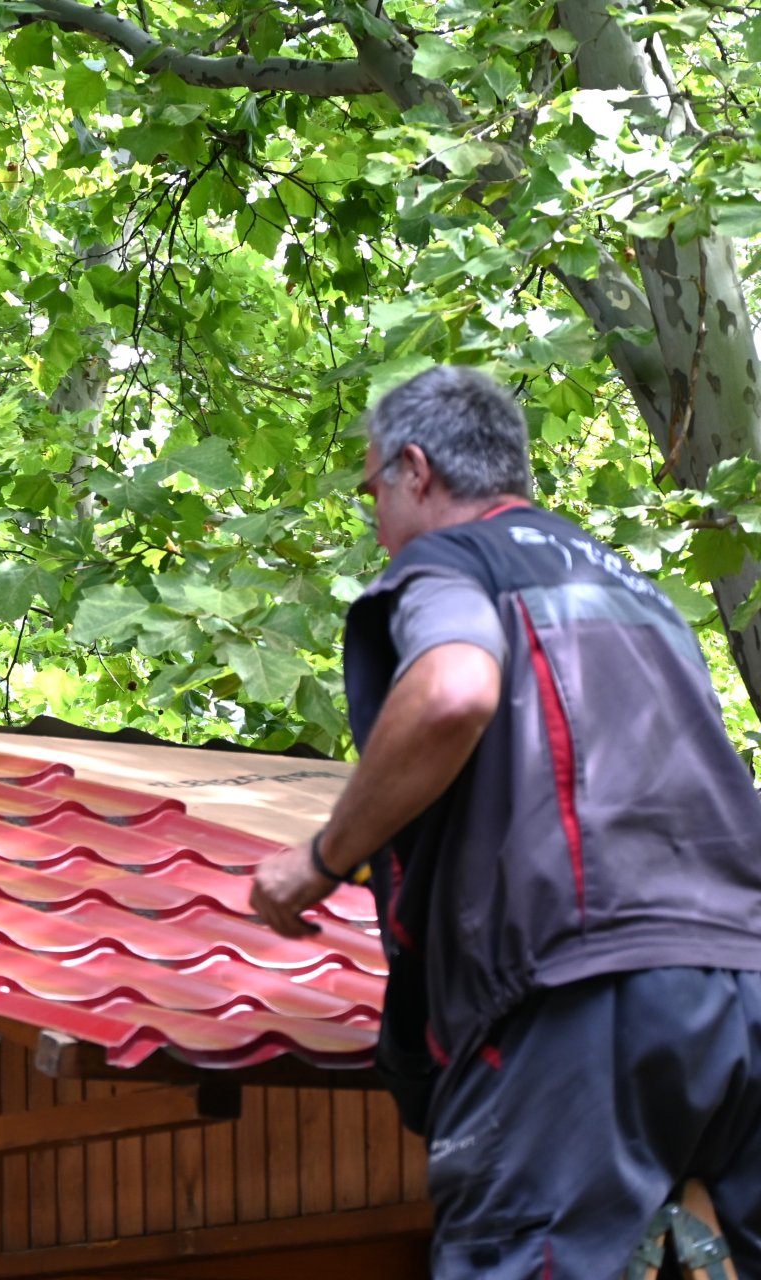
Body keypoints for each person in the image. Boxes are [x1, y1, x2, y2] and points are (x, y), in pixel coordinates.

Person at [250, 365, 761, 1277]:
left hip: (584, 993)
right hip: (744, 999)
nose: (376, 520)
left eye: (372, 489)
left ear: (415, 469)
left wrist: (323, 859)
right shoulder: (644, 597)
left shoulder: (454, 563)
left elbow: (452, 692)